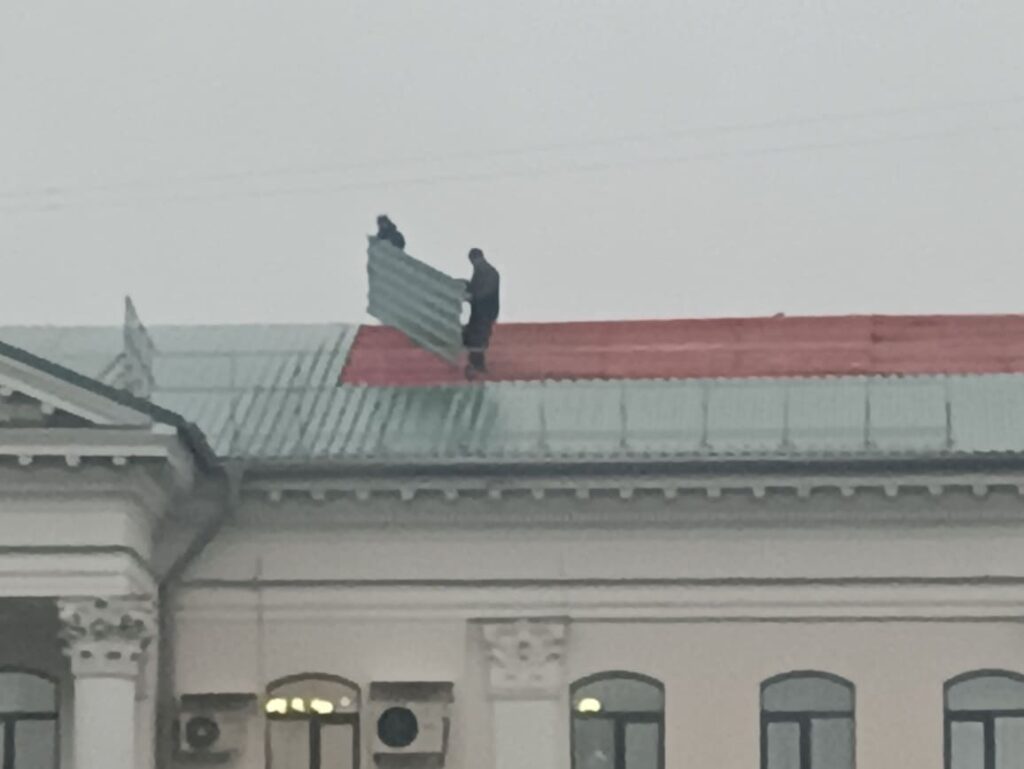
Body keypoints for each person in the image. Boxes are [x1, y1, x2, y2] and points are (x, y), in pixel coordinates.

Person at [462, 248, 500, 377]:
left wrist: (472, 296)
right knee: (476, 337)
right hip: (480, 311)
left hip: (485, 312)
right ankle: (477, 364)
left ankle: (477, 365)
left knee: (478, 338)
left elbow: (486, 292)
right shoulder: (483, 271)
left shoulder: (489, 273)